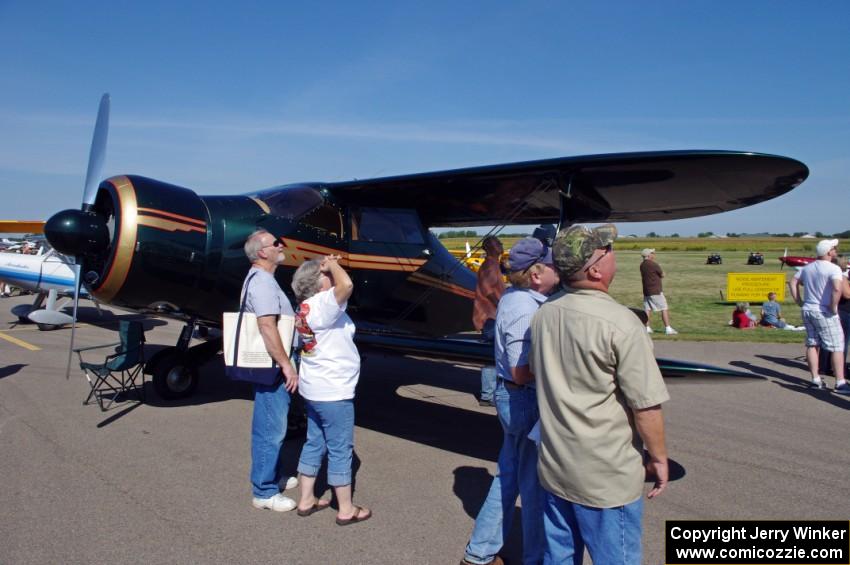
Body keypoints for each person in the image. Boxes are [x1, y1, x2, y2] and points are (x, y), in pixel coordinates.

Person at [530, 224, 669, 565]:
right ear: (594, 269)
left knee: (558, 556)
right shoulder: (621, 322)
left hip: (555, 465)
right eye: (607, 250)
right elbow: (646, 406)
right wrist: (659, 458)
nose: (613, 254)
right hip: (605, 476)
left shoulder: (544, 312)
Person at [460, 237, 560, 565]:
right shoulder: (523, 308)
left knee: (510, 475)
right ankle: (533, 557)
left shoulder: (520, 299)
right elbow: (520, 371)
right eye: (551, 263)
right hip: (523, 398)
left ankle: (480, 553)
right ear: (535, 273)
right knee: (533, 486)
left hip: (516, 397)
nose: (558, 268)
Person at [291, 255, 372, 525]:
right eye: (325, 275)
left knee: (315, 442)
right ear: (319, 282)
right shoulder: (323, 303)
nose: (331, 277)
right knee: (340, 448)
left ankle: (305, 499)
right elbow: (347, 285)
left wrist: (329, 269)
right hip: (333, 391)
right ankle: (346, 508)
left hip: (313, 389)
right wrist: (332, 265)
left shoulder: (304, 307)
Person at [241, 229, 300, 512]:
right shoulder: (262, 282)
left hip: (274, 364)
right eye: (275, 243)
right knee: (270, 427)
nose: (280, 245)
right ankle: (264, 492)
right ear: (262, 252)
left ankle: (272, 477)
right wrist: (286, 365)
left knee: (273, 423)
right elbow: (267, 326)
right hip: (274, 366)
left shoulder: (263, 280)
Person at [790, 238, 849, 394]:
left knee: (812, 343)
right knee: (837, 346)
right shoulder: (833, 268)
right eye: (834, 249)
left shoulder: (807, 268)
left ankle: (815, 379)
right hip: (824, 311)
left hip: (808, 309)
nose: (835, 251)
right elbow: (837, 289)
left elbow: (792, 282)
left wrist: (799, 301)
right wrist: (833, 306)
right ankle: (840, 382)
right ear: (829, 252)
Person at [472, 236, 506, 407]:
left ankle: (490, 392)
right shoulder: (490, 265)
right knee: (490, 355)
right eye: (498, 243)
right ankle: (487, 395)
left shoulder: (494, 264)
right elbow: (487, 290)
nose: (501, 245)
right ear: (490, 247)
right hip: (490, 316)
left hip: (492, 315)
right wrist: (503, 305)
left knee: (494, 353)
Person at [640, 248, 677, 335]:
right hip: (655, 290)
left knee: (647, 309)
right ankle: (668, 328)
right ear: (649, 255)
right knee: (664, 308)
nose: (654, 255)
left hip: (646, 290)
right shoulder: (653, 264)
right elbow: (662, 274)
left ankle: (647, 327)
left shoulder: (642, 265)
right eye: (652, 253)